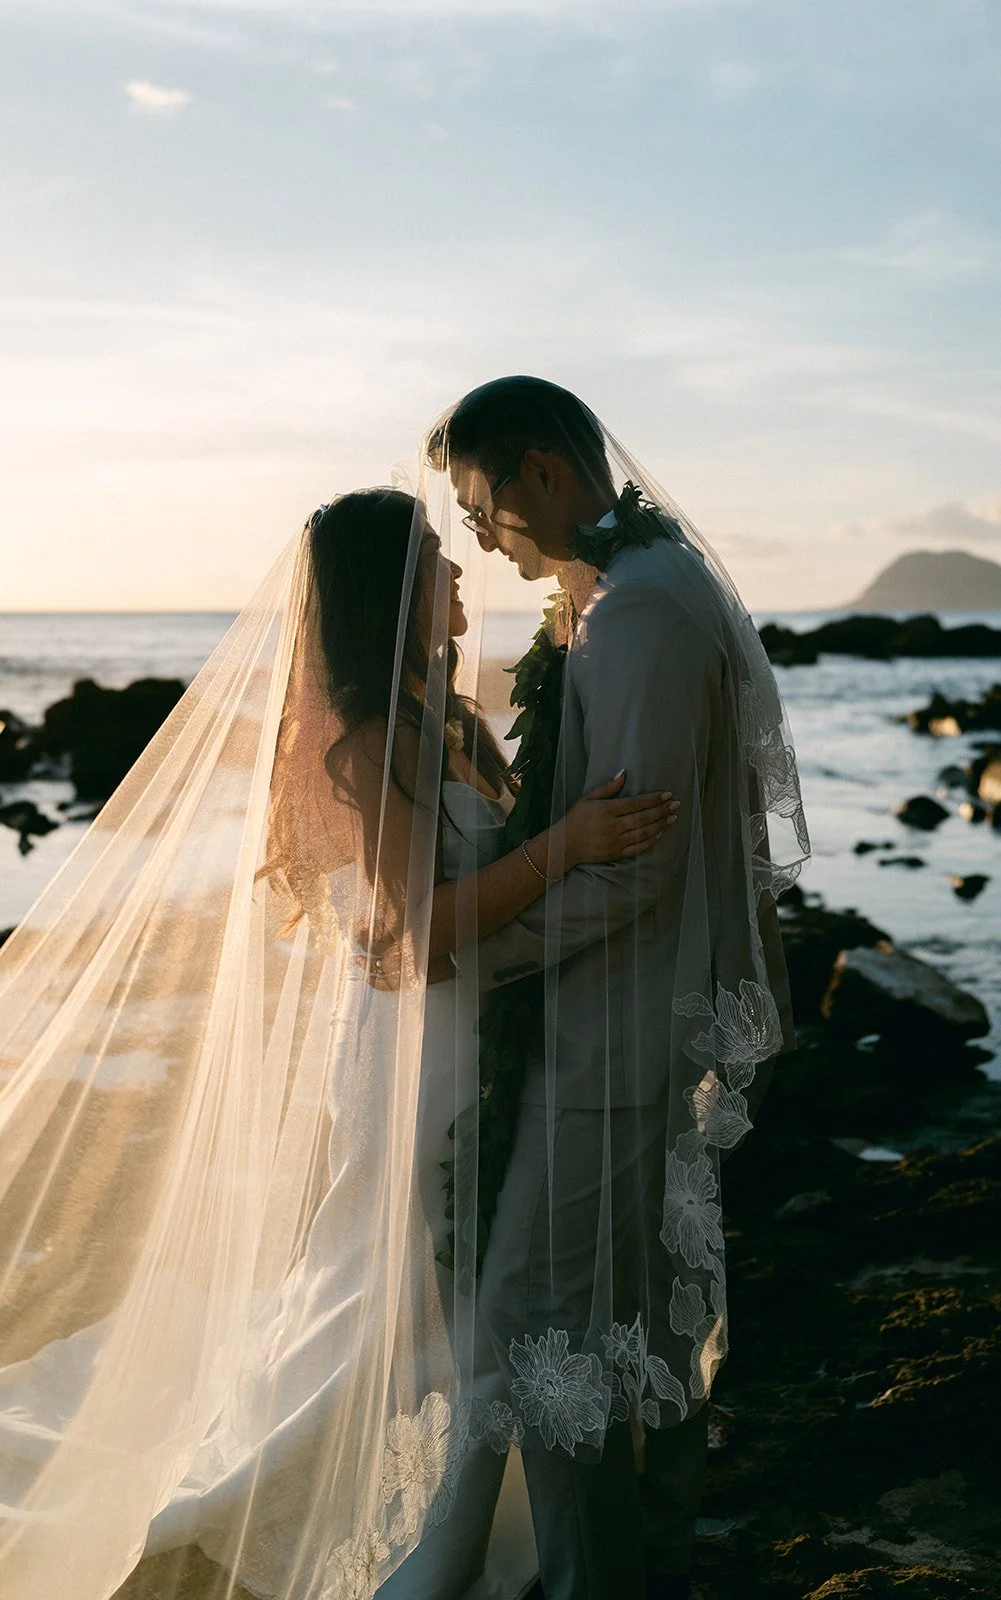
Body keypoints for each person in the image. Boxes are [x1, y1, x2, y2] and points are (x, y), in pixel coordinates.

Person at [0, 487, 675, 1600]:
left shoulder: (445, 721)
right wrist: (568, 847)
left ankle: (465, 1496)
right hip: (416, 1046)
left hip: (471, 1029)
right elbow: (419, 934)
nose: (461, 573)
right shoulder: (371, 741)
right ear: (389, 587)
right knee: (410, 1277)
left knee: (455, 1276)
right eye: (437, 557)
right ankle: (367, 1504)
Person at [419, 378, 807, 1600]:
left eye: (481, 505)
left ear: (539, 469)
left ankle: (592, 1581)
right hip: (621, 1019)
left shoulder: (639, 616)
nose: (483, 536)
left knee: (542, 1312)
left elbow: (633, 870)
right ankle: (647, 1557)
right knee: (625, 1306)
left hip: (614, 1026)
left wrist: (482, 953)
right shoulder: (631, 588)